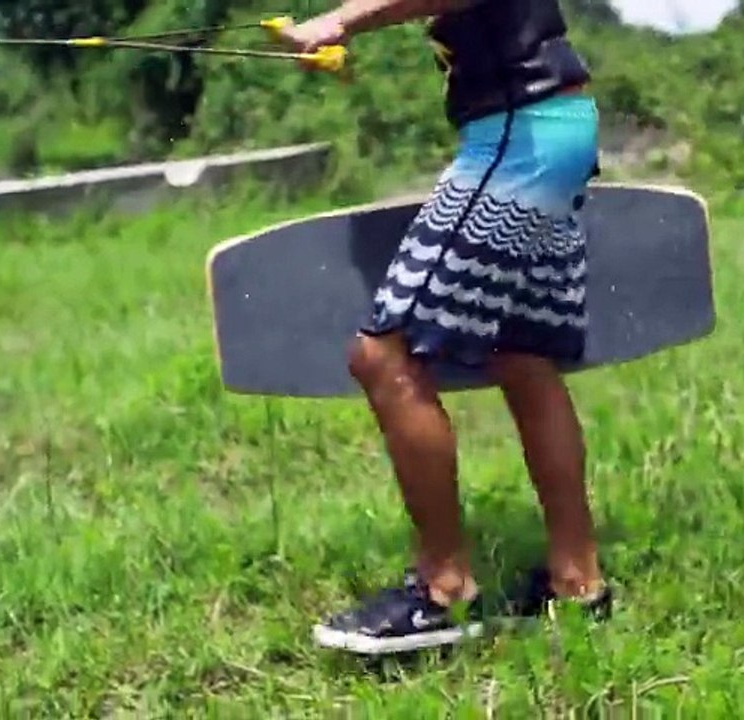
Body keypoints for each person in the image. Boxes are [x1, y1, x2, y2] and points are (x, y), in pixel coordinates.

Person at [276, 0, 613, 655]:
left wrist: (341, 21)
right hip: (553, 127)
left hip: (521, 137)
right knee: (522, 353)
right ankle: (578, 581)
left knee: (383, 355)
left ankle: (443, 589)